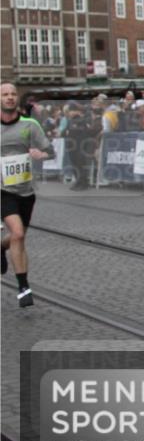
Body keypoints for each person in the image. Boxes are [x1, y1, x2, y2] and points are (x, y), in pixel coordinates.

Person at [1, 83, 54, 307]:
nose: (10, 98)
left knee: (16, 237)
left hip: (26, 191)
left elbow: (51, 151)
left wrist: (40, 154)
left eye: (13, 94)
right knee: (18, 234)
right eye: (5, 94)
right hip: (2, 190)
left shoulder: (29, 125)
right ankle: (23, 288)